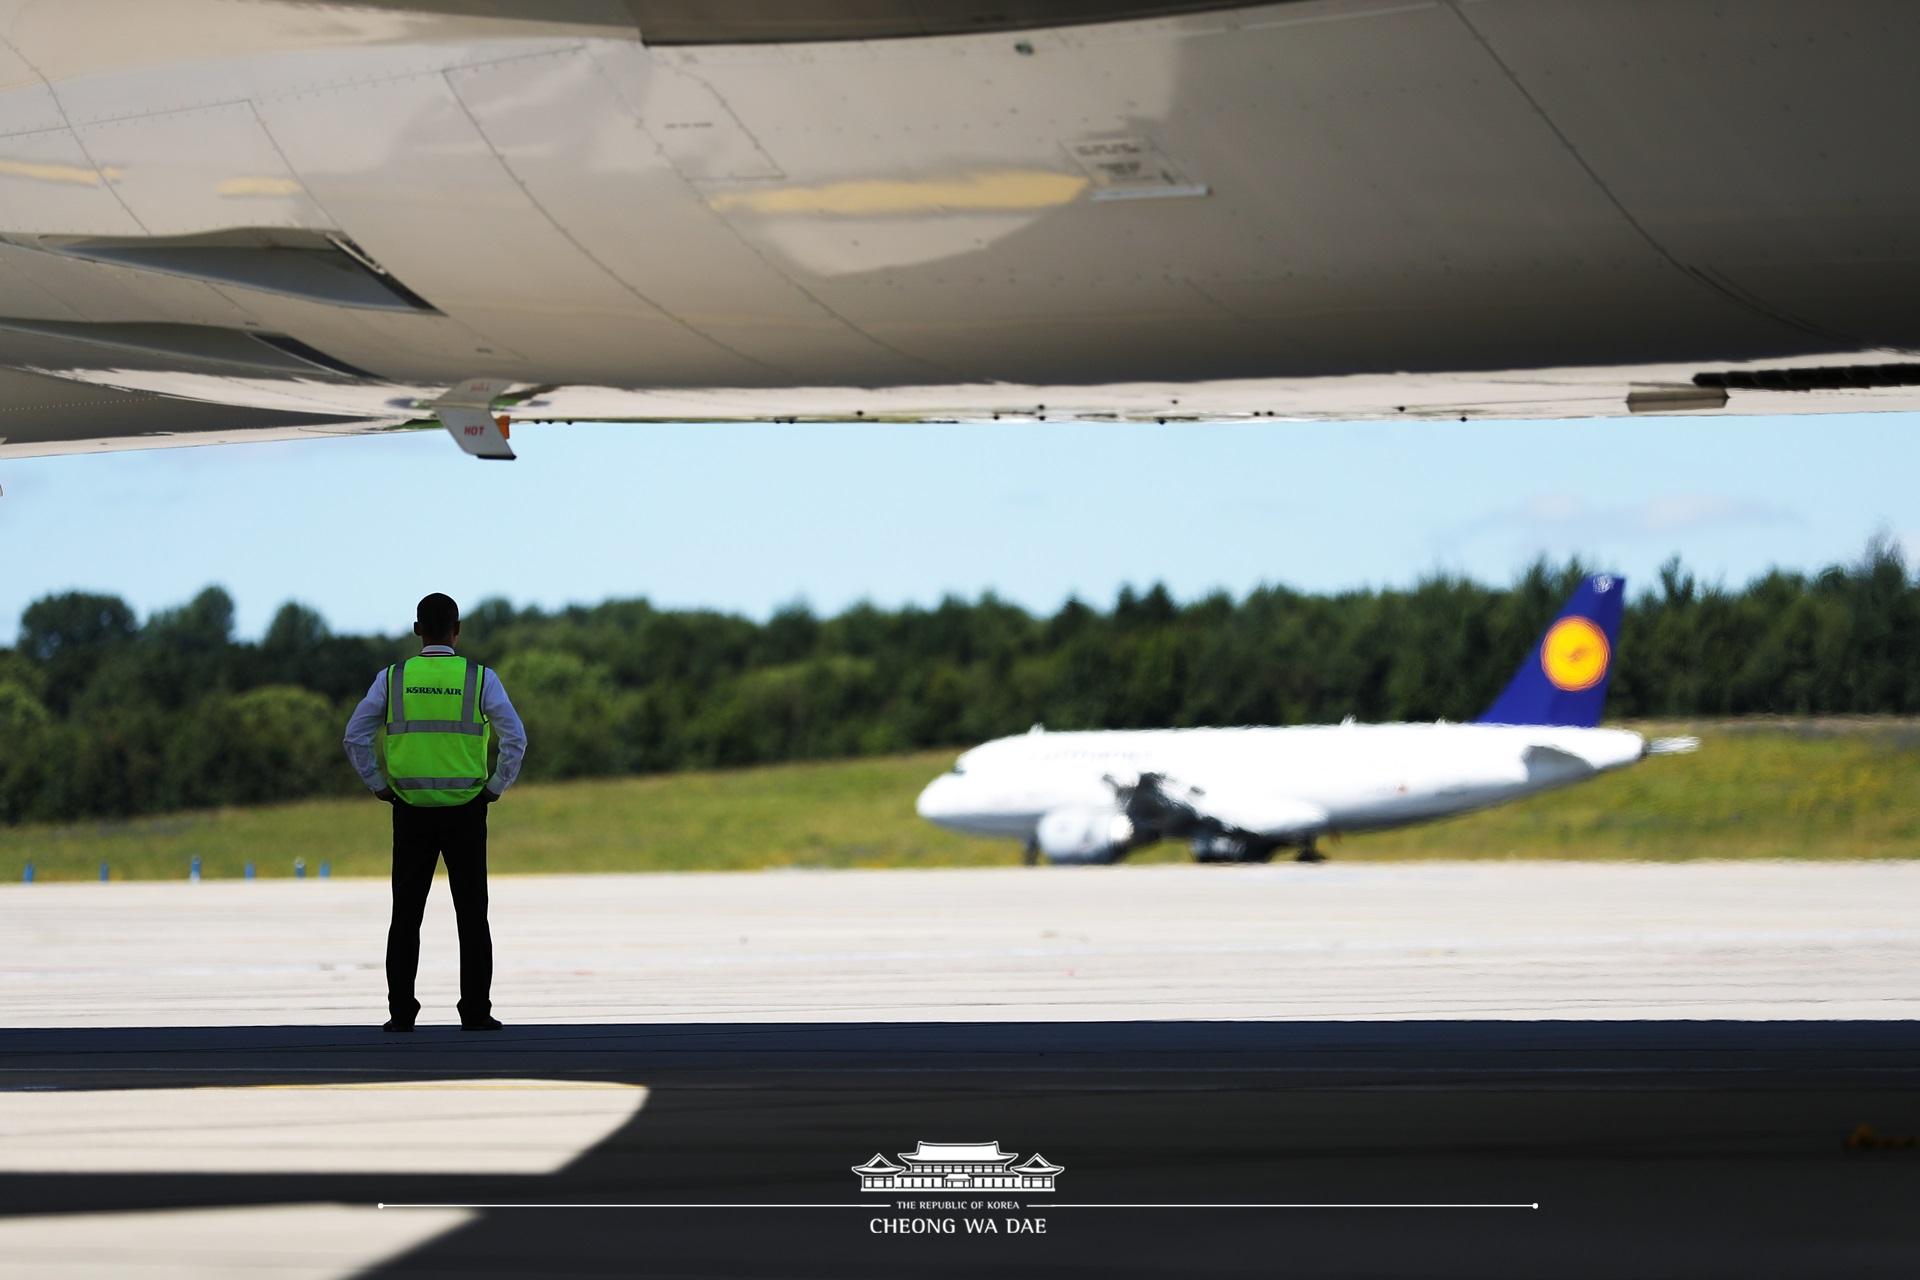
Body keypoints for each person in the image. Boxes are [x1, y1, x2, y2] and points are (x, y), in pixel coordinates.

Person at [342, 593, 527, 1032]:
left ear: (417, 630)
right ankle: (475, 1011)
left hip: (410, 810)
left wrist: (379, 785)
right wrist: (495, 787)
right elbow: (515, 738)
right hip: (467, 810)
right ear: (457, 629)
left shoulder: (393, 678)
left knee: (406, 915)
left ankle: (401, 1013)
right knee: (472, 915)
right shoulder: (480, 678)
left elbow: (355, 736)